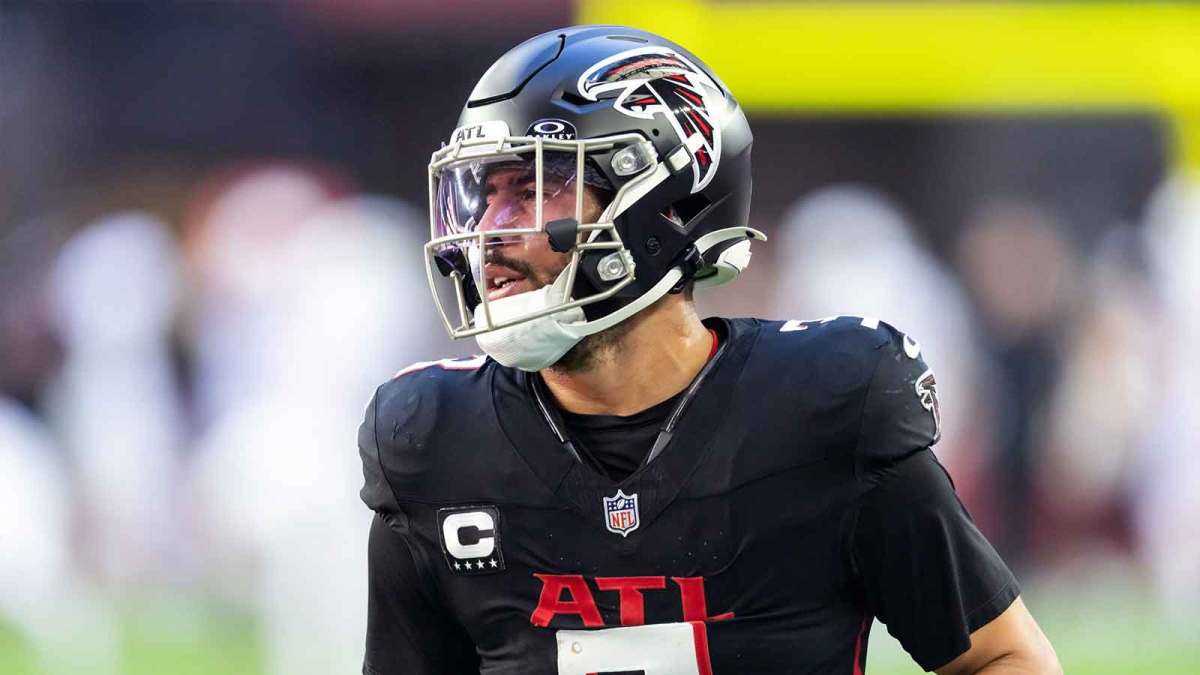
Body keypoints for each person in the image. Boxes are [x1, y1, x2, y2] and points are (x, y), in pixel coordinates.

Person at [359, 25, 1061, 675]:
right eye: (483, 195)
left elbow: (1003, 658)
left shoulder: (821, 413)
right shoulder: (433, 442)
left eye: (533, 188)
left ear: (663, 205)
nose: (489, 231)